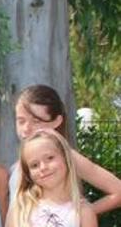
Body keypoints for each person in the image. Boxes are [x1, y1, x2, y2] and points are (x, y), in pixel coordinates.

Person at [12, 84, 120, 214]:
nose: (26, 128)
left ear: (57, 121)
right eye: (21, 121)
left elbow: (118, 191)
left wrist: (79, 216)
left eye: (36, 121)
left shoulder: (66, 156)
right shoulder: (21, 161)